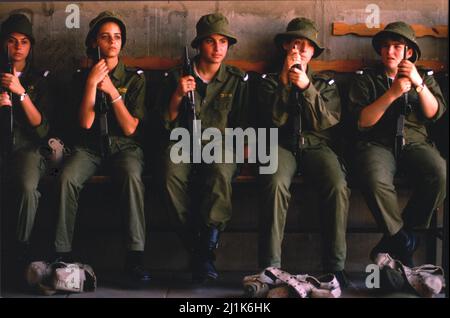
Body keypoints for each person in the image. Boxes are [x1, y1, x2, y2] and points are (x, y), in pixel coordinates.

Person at [53, 11, 150, 284]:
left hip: (124, 147)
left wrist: (113, 91)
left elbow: (130, 127)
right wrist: (92, 83)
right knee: (66, 178)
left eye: (117, 37)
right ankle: (62, 255)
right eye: (105, 37)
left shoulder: (135, 78)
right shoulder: (81, 76)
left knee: (132, 177)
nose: (112, 42)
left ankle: (135, 258)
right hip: (89, 146)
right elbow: (85, 123)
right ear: (94, 41)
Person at [257, 17, 350, 287]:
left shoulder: (324, 83)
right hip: (280, 145)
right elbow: (273, 120)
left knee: (337, 184)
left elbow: (326, 121)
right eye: (295, 44)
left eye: (307, 46)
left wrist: (306, 86)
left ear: (312, 52)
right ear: (286, 47)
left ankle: (335, 265)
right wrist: (286, 82)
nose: (300, 50)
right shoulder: (269, 82)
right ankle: (270, 266)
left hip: (316, 146)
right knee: (274, 183)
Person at [158, 12, 248, 283]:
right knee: (168, 174)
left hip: (222, 145)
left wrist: (244, 147)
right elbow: (163, 123)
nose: (218, 48)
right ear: (199, 45)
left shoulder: (236, 78)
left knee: (221, 170)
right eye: (210, 41)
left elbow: (244, 120)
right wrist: (177, 95)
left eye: (223, 42)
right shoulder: (177, 75)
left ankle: (206, 246)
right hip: (182, 143)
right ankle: (198, 249)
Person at [348, 21, 447, 267]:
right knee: (373, 178)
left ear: (409, 52)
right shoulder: (367, 79)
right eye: (385, 47)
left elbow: (435, 113)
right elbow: (362, 121)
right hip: (378, 144)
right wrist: (392, 93)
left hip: (415, 143)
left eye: (396, 46)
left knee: (439, 172)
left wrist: (418, 84)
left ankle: (397, 239)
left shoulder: (424, 77)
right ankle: (402, 238)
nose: (389, 52)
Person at [0, 13, 52, 272]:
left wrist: (20, 94)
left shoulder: (39, 77)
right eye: (11, 41)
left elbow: (41, 128)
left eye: (24, 42)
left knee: (27, 186)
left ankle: (21, 251)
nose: (18, 48)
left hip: (27, 147)